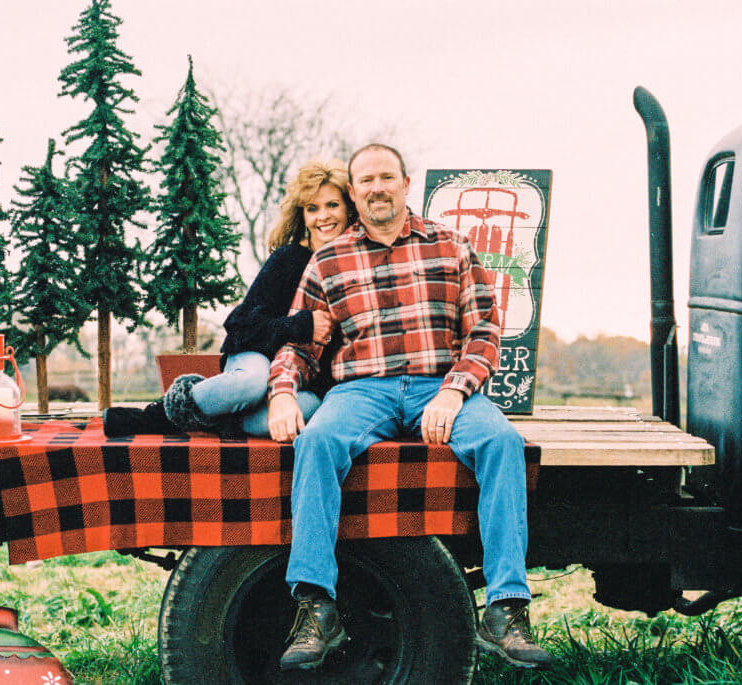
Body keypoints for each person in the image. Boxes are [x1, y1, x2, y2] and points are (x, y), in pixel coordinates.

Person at [268, 144, 553, 671]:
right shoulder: (328, 260)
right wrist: (283, 390)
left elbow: (485, 329)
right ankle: (316, 609)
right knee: (318, 440)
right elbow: (299, 343)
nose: (376, 188)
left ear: (405, 183)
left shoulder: (451, 245)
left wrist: (454, 390)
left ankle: (506, 610)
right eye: (365, 181)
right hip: (361, 390)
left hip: (438, 385)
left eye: (386, 177)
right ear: (354, 192)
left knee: (503, 442)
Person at [103, 159, 352, 438]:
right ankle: (160, 415)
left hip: (304, 381)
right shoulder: (288, 259)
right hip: (257, 355)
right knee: (250, 383)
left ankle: (219, 416)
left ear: (348, 208)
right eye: (312, 208)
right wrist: (303, 325)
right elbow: (242, 327)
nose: (323, 217)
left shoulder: (356, 267)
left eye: (332, 205)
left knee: (299, 414)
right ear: (302, 215)